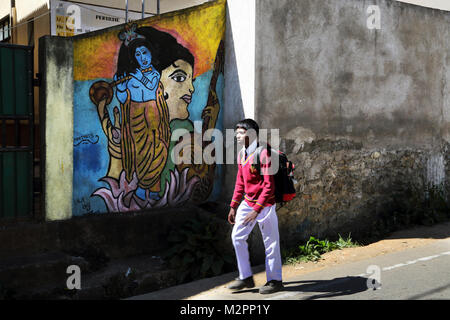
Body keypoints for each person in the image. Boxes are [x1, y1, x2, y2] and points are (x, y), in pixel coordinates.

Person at [227, 119, 283, 294]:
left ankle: (275, 280)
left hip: (264, 205)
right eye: (236, 132)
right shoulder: (241, 155)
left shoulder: (264, 154)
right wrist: (234, 206)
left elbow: (269, 186)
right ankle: (245, 277)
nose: (237, 135)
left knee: (271, 243)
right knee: (237, 237)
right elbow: (240, 183)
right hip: (248, 203)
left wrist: (256, 209)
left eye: (240, 132)